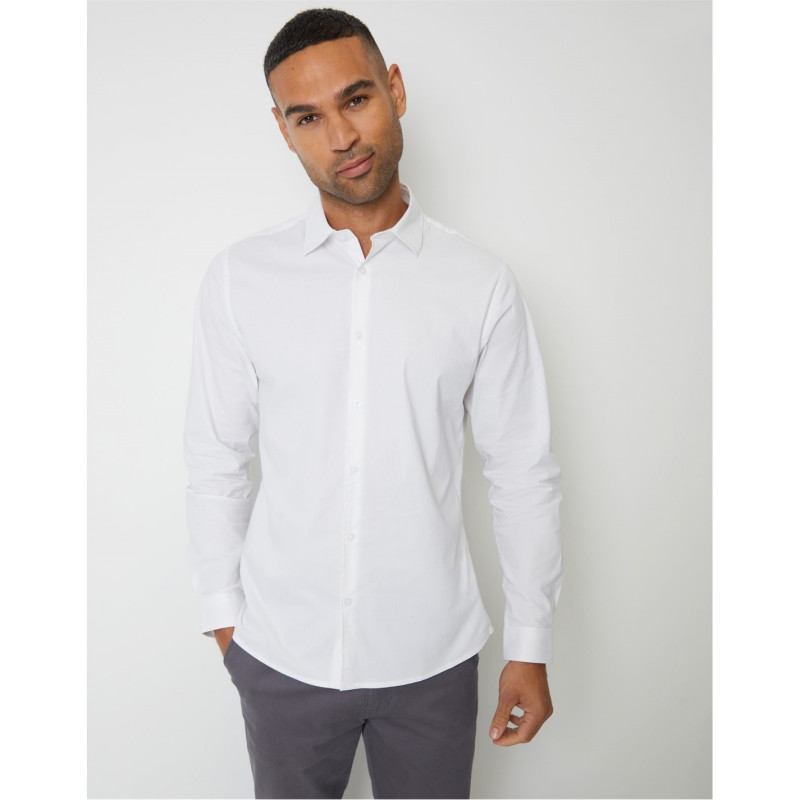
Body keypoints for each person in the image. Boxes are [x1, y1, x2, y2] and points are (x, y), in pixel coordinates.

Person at [183, 7, 563, 799]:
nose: (341, 137)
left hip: (432, 661)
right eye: (308, 117)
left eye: (355, 99)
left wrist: (529, 644)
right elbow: (216, 459)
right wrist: (227, 624)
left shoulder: (481, 284)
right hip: (280, 656)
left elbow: (522, 470)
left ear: (395, 90)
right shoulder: (240, 279)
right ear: (284, 131)